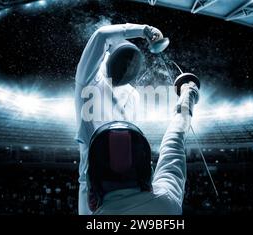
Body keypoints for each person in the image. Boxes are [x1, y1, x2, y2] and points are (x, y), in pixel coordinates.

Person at [74, 23, 199, 215]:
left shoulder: (133, 96)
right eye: (124, 60)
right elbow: (174, 145)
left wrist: (142, 31)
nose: (128, 66)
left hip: (95, 192)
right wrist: (188, 93)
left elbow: (170, 147)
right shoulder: (90, 83)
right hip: (95, 190)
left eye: (131, 61)